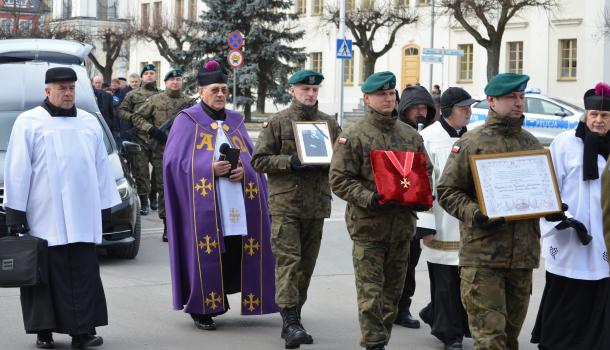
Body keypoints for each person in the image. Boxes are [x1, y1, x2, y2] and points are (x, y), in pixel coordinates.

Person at [3, 67, 121, 349]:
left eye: (71, 88)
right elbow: (17, 168)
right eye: (62, 88)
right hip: (45, 214)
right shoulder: (29, 121)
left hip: (82, 214)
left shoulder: (89, 122)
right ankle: (44, 331)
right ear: (47, 91)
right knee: (44, 274)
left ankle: (82, 332)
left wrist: (105, 205)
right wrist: (15, 212)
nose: (68, 93)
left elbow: (101, 167)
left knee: (83, 273)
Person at [437, 73, 555, 350]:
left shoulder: (530, 143)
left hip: (522, 257)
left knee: (510, 339)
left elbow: (538, 191)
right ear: (491, 100)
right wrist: (476, 213)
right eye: (511, 97)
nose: (518, 103)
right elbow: (447, 191)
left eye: (521, 97)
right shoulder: (471, 142)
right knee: (490, 340)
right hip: (483, 257)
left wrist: (551, 206)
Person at [163, 60, 278, 332]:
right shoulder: (187, 120)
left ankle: (228, 297)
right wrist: (207, 169)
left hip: (235, 201)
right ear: (201, 91)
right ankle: (203, 307)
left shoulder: (235, 122)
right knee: (207, 250)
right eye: (215, 89)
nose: (220, 95)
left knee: (234, 249)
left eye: (224, 90)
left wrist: (243, 171)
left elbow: (253, 160)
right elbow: (173, 162)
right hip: (204, 204)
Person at [329, 71, 432, 350]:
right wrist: (369, 197)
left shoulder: (410, 135)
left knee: (392, 294)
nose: (388, 99)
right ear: (367, 98)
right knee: (371, 293)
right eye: (381, 95)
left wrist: (423, 196)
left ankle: (381, 338)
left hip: (402, 227)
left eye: (391, 94)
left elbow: (424, 172)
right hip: (368, 227)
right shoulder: (353, 135)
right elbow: (338, 179)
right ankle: (374, 344)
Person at [251, 69, 341, 348]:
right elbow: (258, 161)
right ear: (292, 91)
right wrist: (289, 161)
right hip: (285, 204)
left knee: (306, 265)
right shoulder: (277, 122)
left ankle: (295, 313)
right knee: (289, 261)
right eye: (305, 89)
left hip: (316, 204)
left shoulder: (329, 124)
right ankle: (290, 322)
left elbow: (342, 159)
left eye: (314, 90)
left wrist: (333, 162)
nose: (310, 94)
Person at [531, 83, 610, 350]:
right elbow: (549, 185)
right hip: (568, 233)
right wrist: (562, 217)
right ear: (585, 115)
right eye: (594, 115)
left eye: (606, 116)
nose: (599, 120)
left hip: (603, 232)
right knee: (566, 292)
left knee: (600, 289)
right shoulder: (565, 143)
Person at [418, 87, 475, 350]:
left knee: (466, 279)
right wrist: (424, 222)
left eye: (470, 108)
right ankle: (449, 334)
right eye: (464, 108)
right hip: (441, 221)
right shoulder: (428, 137)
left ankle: (442, 317)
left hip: (469, 221)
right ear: (448, 110)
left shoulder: (473, 137)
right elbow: (422, 182)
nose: (469, 113)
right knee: (444, 280)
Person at [130, 68, 194, 242]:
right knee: (164, 190)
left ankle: (185, 225)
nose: (175, 82)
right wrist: (152, 130)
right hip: (162, 153)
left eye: (178, 79)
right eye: (172, 79)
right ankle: (167, 226)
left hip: (185, 154)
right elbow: (136, 117)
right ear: (165, 82)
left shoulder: (190, 102)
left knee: (185, 189)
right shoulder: (156, 100)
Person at [393, 84, 437, 329]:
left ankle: (403, 307)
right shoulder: (398, 132)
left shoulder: (432, 133)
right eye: (415, 107)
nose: (420, 112)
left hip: (422, 207)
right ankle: (387, 306)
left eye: (424, 108)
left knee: (412, 260)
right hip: (397, 206)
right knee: (397, 260)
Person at [119, 64, 160, 215]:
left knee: (158, 170)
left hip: (158, 139)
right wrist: (133, 118)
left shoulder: (162, 94)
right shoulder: (133, 94)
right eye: (146, 73)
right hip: (139, 138)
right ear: (142, 77)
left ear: (155, 76)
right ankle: (144, 202)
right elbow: (121, 111)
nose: (149, 75)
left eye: (152, 73)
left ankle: (153, 196)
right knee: (141, 172)